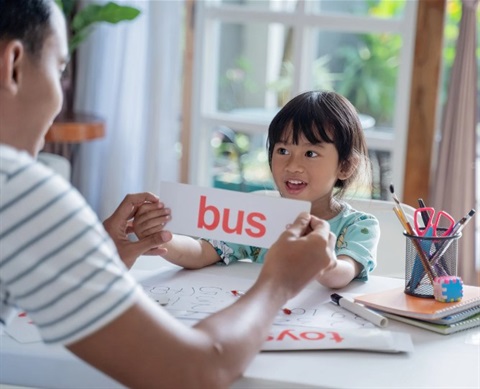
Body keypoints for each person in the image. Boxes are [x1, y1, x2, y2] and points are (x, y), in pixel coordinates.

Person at [0, 1, 336, 387]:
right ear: (13, 64)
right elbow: (194, 371)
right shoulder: (18, 189)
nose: (60, 96)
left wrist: (99, 254)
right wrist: (279, 282)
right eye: (59, 69)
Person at [134, 91, 380, 289]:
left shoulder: (358, 226)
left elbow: (343, 274)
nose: (293, 165)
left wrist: (325, 265)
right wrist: (164, 239)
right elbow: (201, 252)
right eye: (283, 151)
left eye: (310, 153)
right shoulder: (259, 217)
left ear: (345, 166)